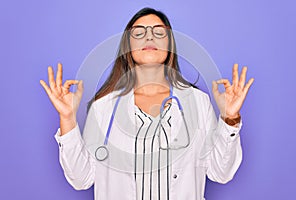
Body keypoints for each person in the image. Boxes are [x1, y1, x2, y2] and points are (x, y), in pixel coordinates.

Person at [40, 7, 254, 200]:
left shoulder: (197, 102)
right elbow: (81, 179)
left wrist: (230, 118)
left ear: (170, 44)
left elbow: (221, 173)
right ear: (128, 46)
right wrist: (67, 118)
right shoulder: (104, 107)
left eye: (159, 32)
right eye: (139, 32)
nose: (149, 37)